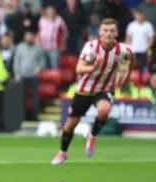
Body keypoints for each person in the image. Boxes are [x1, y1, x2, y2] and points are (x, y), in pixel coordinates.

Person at [52, 18, 135, 165]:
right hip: (85, 90)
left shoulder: (122, 49)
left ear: (116, 33)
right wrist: (93, 68)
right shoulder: (91, 47)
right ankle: (62, 152)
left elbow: (131, 58)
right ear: (100, 32)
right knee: (71, 124)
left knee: (104, 110)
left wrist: (127, 74)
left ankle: (92, 134)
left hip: (104, 89)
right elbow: (79, 69)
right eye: (106, 30)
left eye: (112, 31)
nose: (109, 34)